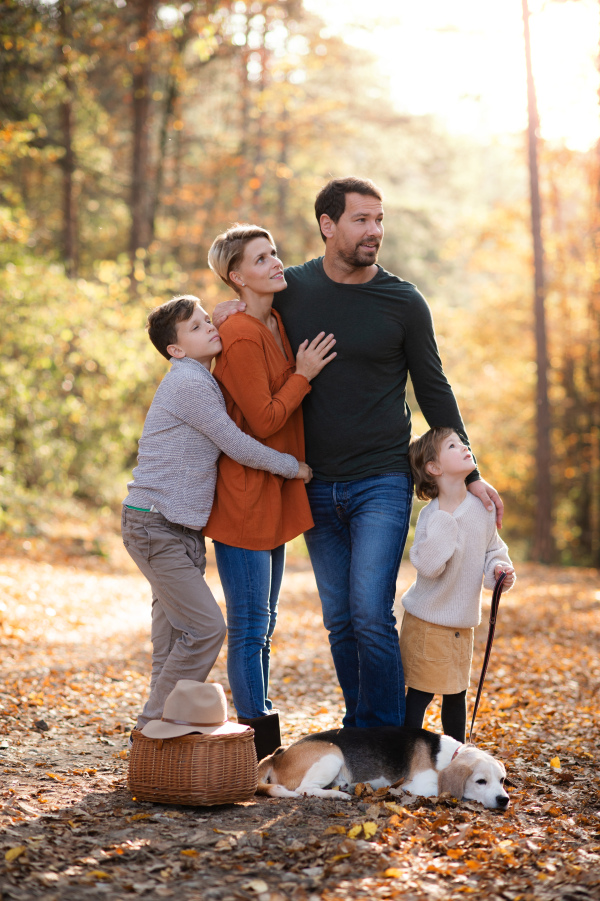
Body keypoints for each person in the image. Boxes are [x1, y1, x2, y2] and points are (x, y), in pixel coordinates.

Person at [212, 176, 503, 730]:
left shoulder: (403, 301)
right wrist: (225, 313)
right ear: (328, 225)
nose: (375, 231)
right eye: (361, 220)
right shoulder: (292, 288)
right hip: (314, 481)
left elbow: (434, 390)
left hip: (381, 479)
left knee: (371, 612)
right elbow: (246, 309)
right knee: (340, 620)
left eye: (379, 220)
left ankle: (392, 735)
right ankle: (359, 727)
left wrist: (470, 475)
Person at [122, 294, 312, 738]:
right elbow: (237, 443)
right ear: (176, 349)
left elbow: (216, 320)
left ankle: (155, 747)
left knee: (170, 642)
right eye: (196, 326)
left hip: (181, 531)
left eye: (208, 320)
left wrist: (224, 312)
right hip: (153, 525)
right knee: (206, 629)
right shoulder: (188, 382)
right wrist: (292, 467)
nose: (209, 327)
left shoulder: (199, 375)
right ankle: (150, 729)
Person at [204, 224, 336, 759]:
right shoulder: (238, 335)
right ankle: (253, 744)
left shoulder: (272, 319)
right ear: (237, 276)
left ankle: (258, 736)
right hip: (244, 494)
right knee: (250, 624)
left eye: (275, 253)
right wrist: (303, 374)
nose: (276, 263)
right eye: (261, 259)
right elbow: (261, 420)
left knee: (266, 622)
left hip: (273, 488)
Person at [400, 427, 516, 742]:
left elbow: (494, 550)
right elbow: (428, 566)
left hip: (461, 626)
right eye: (453, 445)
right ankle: (407, 756)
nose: (465, 446)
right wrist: (444, 522)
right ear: (434, 468)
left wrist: (499, 569)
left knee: (456, 696)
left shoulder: (482, 509)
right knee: (420, 695)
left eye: (463, 442)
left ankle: (458, 758)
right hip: (427, 623)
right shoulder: (431, 515)